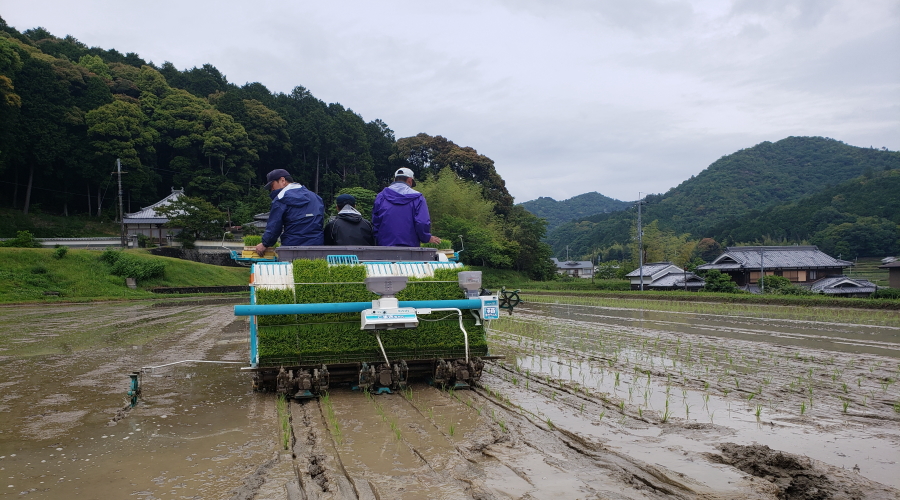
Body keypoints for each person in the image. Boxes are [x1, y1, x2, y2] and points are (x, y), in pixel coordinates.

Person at [256, 168, 324, 256]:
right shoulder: (316, 197)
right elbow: (320, 222)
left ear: (282, 180)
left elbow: (274, 226)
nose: (272, 190)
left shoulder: (281, 199)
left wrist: (265, 243)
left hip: (292, 248)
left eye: (272, 185)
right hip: (317, 247)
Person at [371, 167, 441, 247]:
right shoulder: (418, 198)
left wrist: (378, 240)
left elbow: (375, 222)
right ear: (410, 180)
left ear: (395, 180)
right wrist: (426, 237)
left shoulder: (381, 196)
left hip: (385, 246)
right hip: (410, 248)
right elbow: (422, 222)